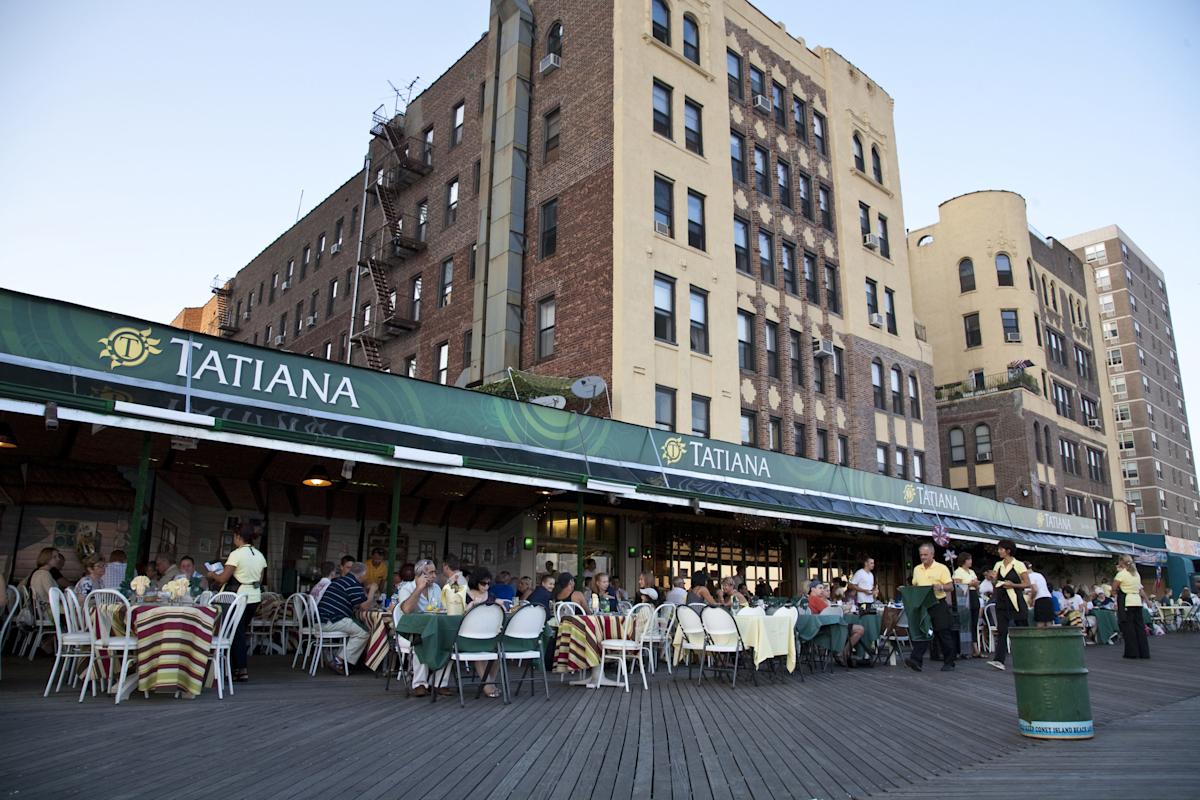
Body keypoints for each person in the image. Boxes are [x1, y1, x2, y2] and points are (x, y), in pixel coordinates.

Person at [205, 523, 268, 683]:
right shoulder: (260, 555)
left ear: (238, 537)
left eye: (234, 536)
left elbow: (223, 578)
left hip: (238, 597)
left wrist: (212, 574)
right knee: (240, 632)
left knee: (235, 633)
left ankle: (240, 669)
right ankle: (236, 668)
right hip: (254, 597)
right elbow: (259, 580)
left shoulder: (236, 554)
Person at [397, 559, 450, 696]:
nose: (434, 576)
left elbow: (442, 609)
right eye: (430, 573)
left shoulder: (436, 588)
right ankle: (419, 683)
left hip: (433, 627)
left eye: (434, 572)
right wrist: (419, 588)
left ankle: (439, 683)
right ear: (420, 574)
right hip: (412, 629)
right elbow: (407, 610)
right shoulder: (406, 588)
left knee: (448, 641)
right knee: (421, 640)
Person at [315, 561, 375, 673]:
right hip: (331, 621)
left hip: (321, 620)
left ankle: (341, 659)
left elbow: (357, 602)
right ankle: (338, 660)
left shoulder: (340, 580)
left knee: (355, 629)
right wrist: (372, 591)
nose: (367, 577)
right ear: (362, 574)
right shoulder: (353, 584)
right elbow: (365, 607)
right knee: (364, 633)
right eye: (366, 575)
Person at [906, 543, 957, 673]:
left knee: (942, 632)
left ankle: (949, 662)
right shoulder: (917, 569)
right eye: (921, 555)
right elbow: (915, 586)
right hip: (923, 605)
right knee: (923, 631)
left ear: (932, 555)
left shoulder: (942, 568)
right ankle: (916, 660)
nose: (923, 557)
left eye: (925, 555)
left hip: (938, 603)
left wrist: (940, 587)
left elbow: (950, 587)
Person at [987, 539, 1030, 671]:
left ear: (1008, 551)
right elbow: (995, 582)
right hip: (1001, 599)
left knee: (1022, 628)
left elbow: (1027, 583)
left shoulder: (1018, 565)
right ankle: (999, 660)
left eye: (1001, 549)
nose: (999, 551)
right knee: (1002, 630)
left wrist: (1013, 585)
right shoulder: (998, 565)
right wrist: (992, 579)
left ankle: (1028, 656)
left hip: (1015, 599)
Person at [1114, 554, 1150, 659]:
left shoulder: (1121, 574)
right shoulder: (1136, 574)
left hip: (1127, 601)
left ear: (1121, 562)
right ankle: (1144, 651)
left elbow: (1114, 587)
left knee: (1129, 628)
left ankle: (1132, 652)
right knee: (1139, 627)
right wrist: (1147, 600)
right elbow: (1140, 589)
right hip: (1137, 602)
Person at [953, 553, 981, 657]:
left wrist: (976, 585)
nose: (971, 561)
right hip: (964, 596)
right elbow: (958, 587)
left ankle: (975, 647)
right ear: (964, 560)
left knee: (974, 622)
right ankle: (966, 648)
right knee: (966, 623)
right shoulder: (958, 572)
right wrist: (970, 584)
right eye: (969, 559)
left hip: (974, 595)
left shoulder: (972, 572)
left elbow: (977, 585)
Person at [1025, 562, 1053, 629]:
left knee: (1040, 624)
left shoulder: (1030, 576)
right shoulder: (1039, 575)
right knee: (1048, 622)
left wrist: (1031, 599)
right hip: (1048, 598)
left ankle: (1040, 638)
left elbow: (1035, 589)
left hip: (1040, 600)